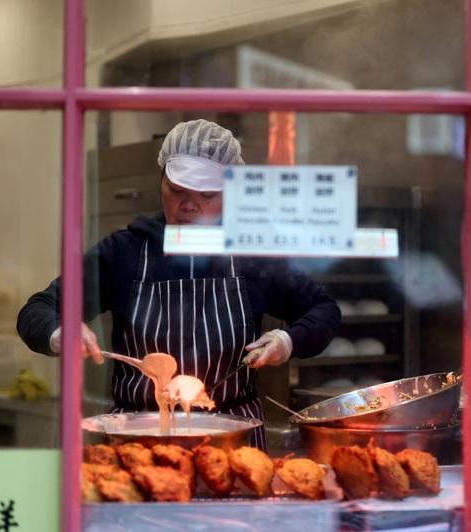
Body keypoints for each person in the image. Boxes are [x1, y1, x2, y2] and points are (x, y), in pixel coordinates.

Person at [17, 119, 341, 449]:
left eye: (207, 195)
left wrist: (288, 341)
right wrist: (59, 332)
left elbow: (324, 310)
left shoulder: (250, 256)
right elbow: (38, 309)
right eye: (177, 190)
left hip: (231, 441)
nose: (189, 206)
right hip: (140, 439)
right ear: (161, 182)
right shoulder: (124, 253)